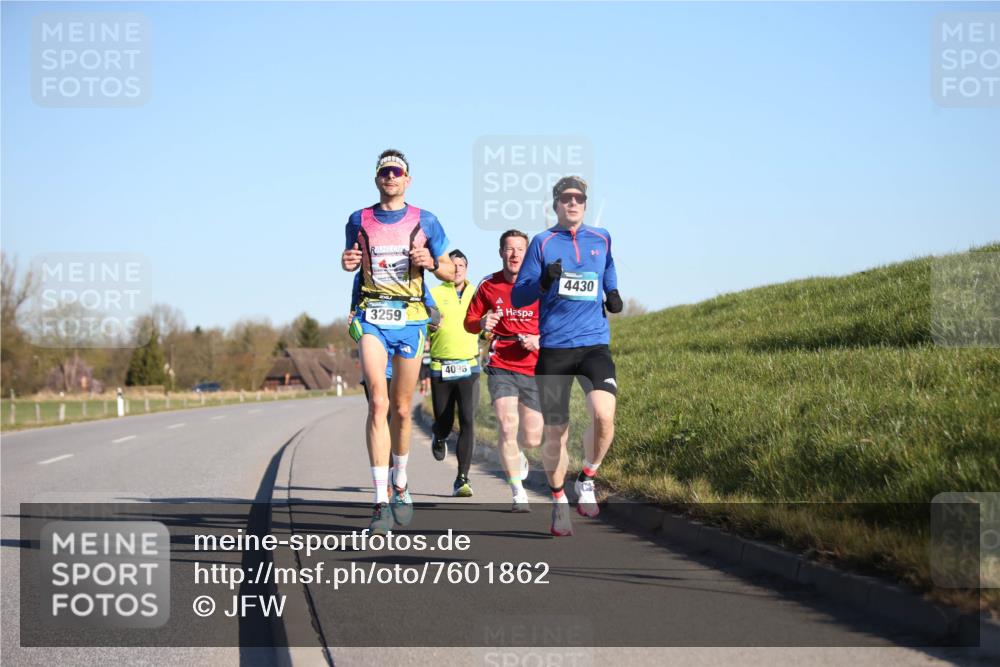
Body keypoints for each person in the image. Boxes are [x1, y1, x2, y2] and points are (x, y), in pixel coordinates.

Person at [341, 149, 455, 534]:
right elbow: (354, 262)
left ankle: (401, 484)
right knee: (378, 402)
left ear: (408, 179)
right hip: (373, 315)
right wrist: (347, 262)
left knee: (403, 410)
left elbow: (450, 271)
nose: (390, 176)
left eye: (397, 171)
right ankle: (379, 503)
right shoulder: (359, 219)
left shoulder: (427, 220)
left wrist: (430, 262)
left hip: (411, 318)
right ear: (377, 179)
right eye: (384, 171)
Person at [511, 176, 624, 537]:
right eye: (565, 198)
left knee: (604, 415)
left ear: (585, 204)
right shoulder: (542, 243)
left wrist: (613, 291)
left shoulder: (601, 237)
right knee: (556, 432)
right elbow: (519, 296)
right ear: (555, 204)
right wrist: (542, 282)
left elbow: (606, 267)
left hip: (594, 345)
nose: (572, 203)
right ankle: (559, 499)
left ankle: (587, 478)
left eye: (578, 198)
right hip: (556, 349)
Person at [464, 230, 542, 513]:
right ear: (501, 253)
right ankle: (517, 490)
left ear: (528, 253)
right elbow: (469, 322)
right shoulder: (489, 285)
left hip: (535, 365)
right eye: (509, 249)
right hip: (501, 363)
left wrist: (539, 339)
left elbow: (558, 321)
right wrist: (483, 322)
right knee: (507, 425)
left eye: (520, 249)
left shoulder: (540, 285)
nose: (514, 254)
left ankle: (519, 453)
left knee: (532, 436)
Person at [427, 250, 481, 497]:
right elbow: (421, 324)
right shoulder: (433, 293)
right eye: (453, 265)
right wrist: (428, 324)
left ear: (467, 268)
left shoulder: (478, 293)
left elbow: (487, 325)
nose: (457, 269)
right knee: (445, 422)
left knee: (468, 420)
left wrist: (489, 330)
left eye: (462, 265)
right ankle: (439, 436)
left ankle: (462, 478)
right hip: (441, 366)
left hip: (469, 366)